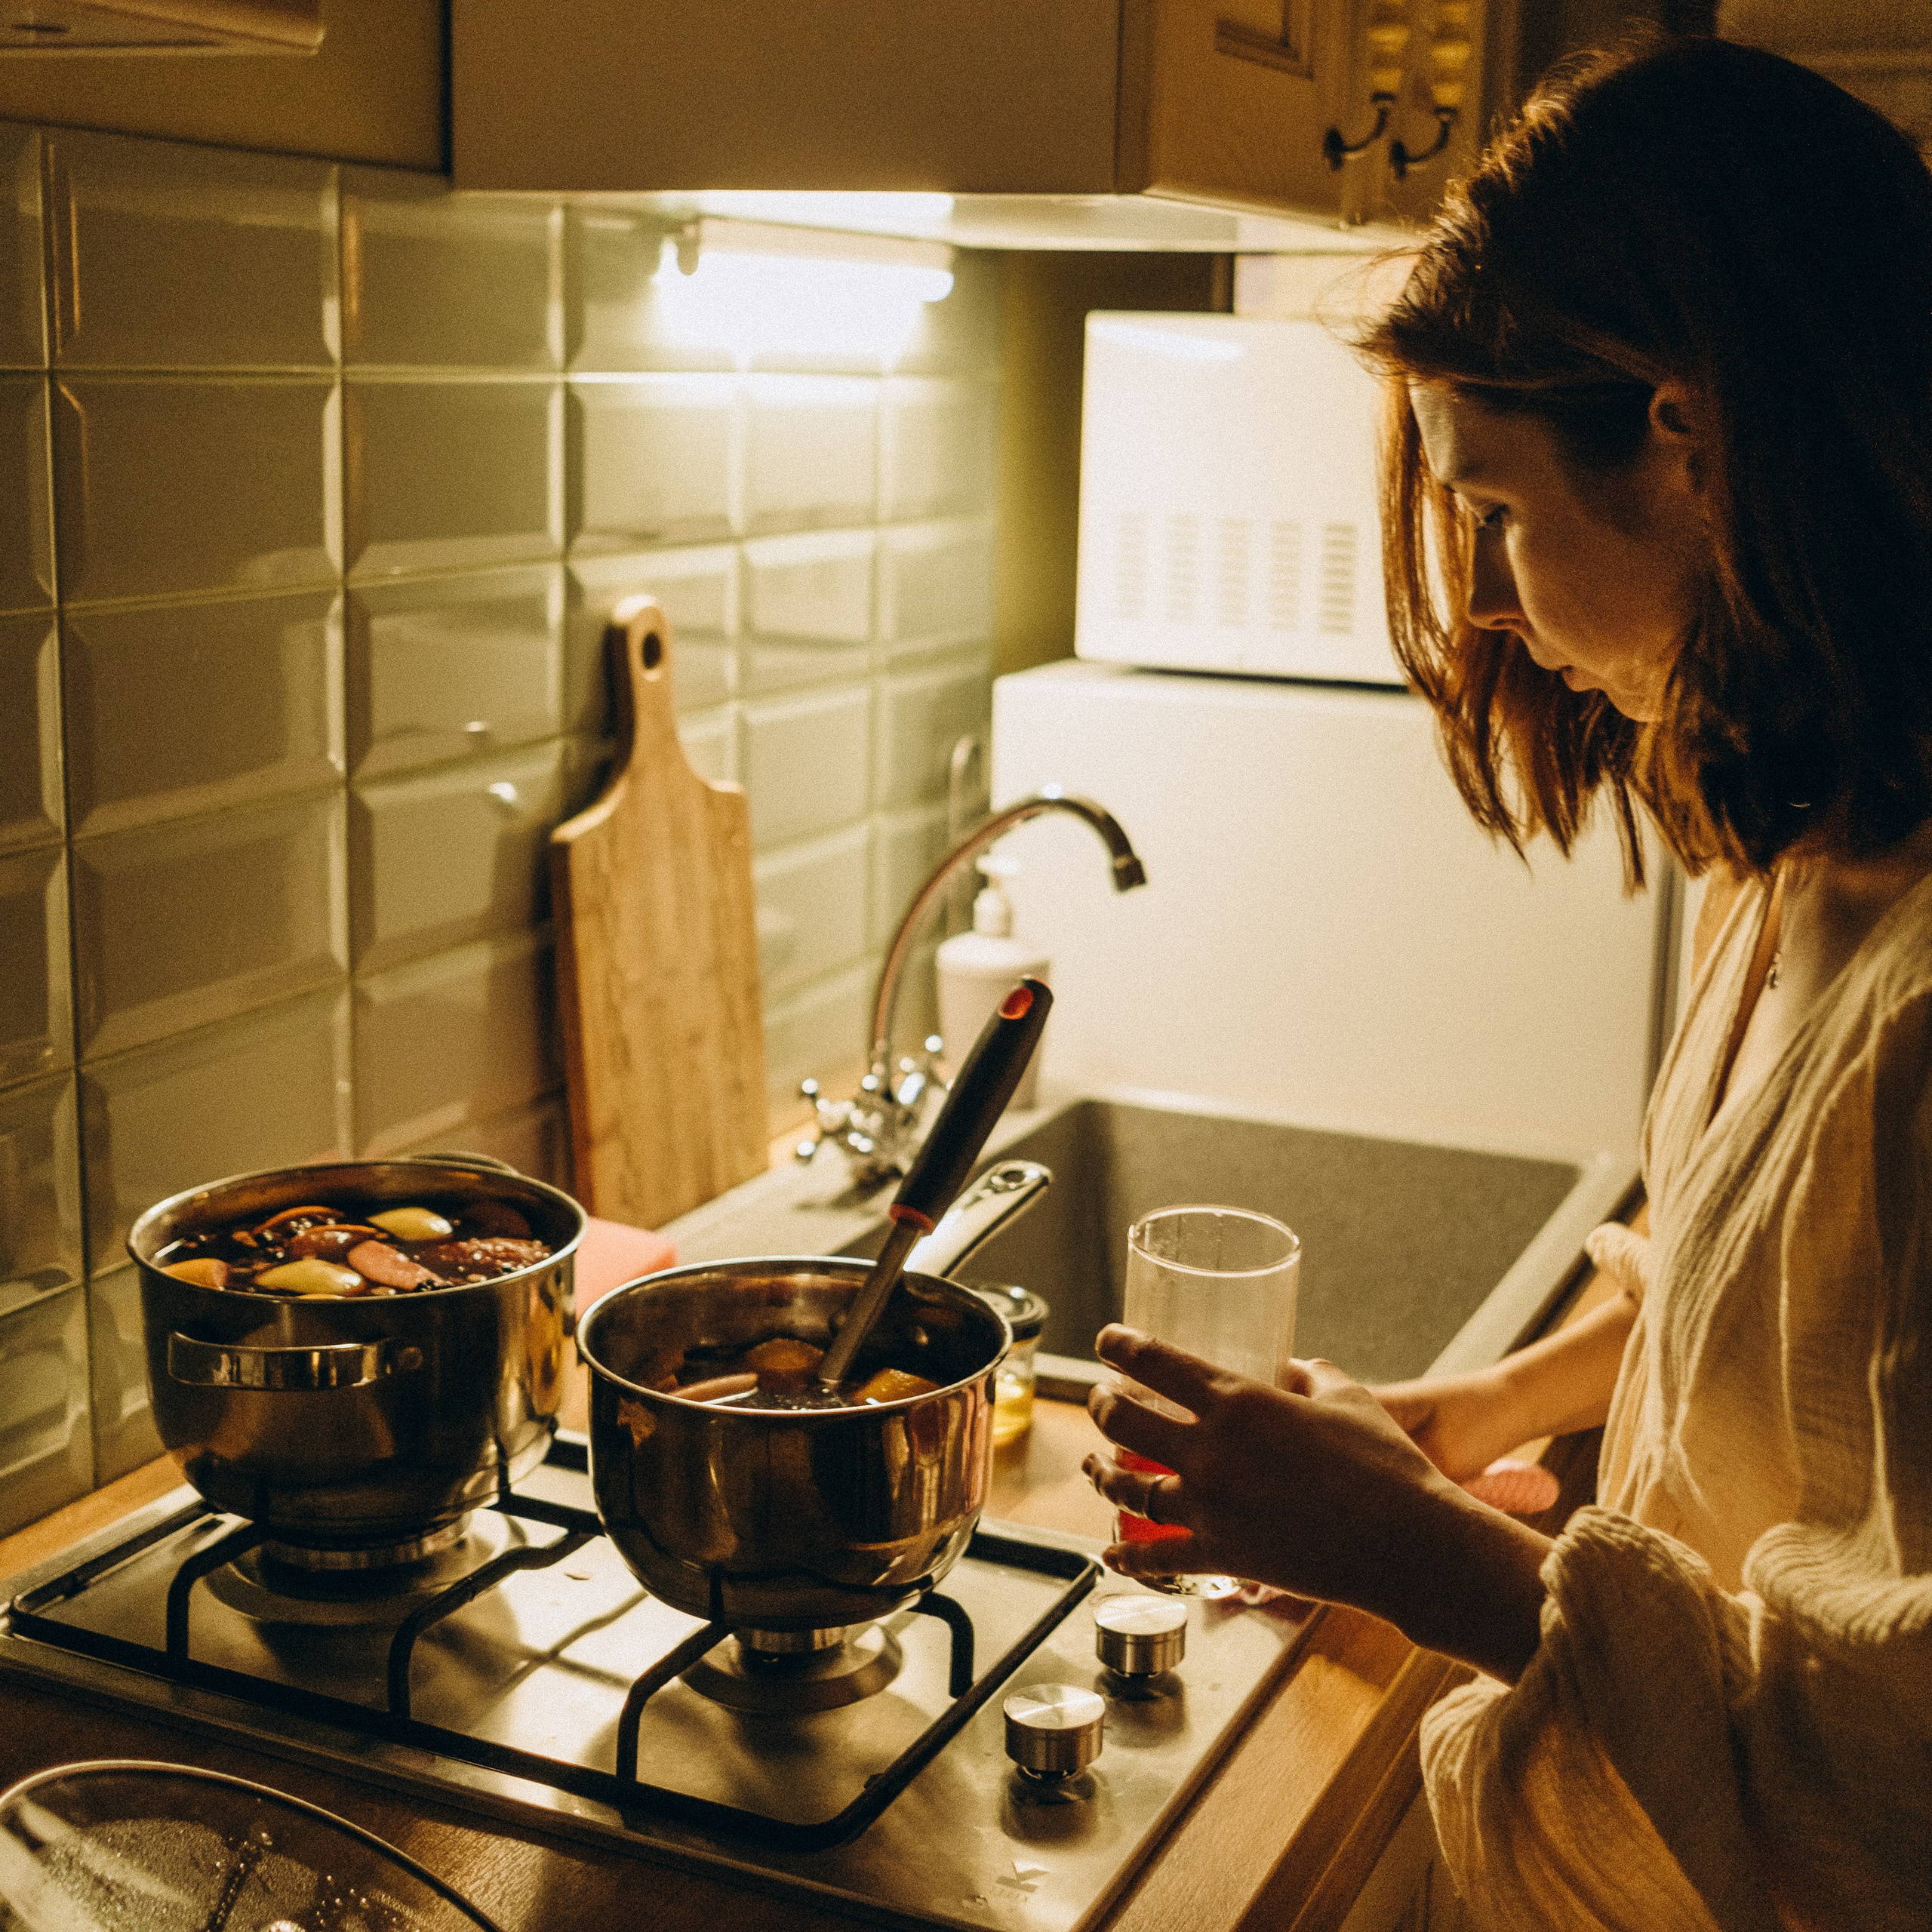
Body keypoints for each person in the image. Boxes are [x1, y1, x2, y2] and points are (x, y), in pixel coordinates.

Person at [1081, 34, 1932, 1932]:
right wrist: (1478, 1408)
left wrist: (1413, 1546)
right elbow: (1773, 1343)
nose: (1477, 594)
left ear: (1683, 432)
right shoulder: (1824, 846)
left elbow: (1895, 1786)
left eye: (1496, 504)